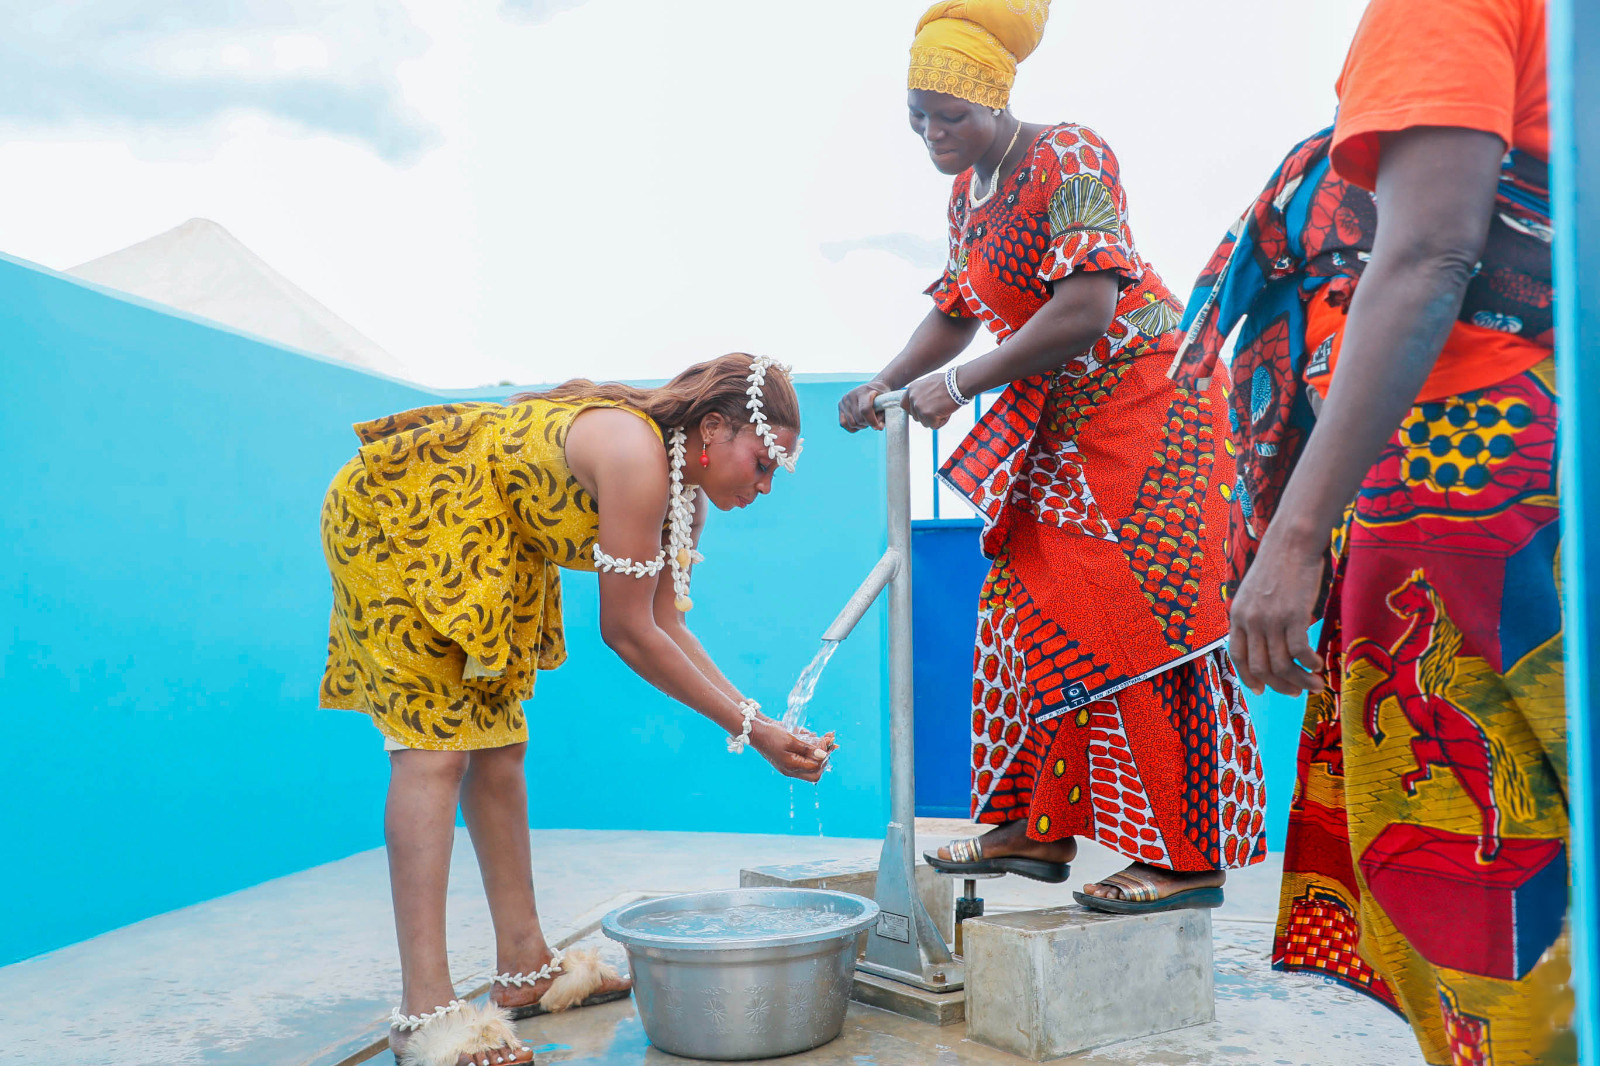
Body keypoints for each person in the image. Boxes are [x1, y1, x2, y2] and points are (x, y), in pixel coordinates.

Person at [840, 0, 1266, 913]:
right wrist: (885, 382)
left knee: (1143, 623)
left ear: (993, 101)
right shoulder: (968, 198)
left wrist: (956, 388)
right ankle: (1036, 826)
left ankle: (1188, 860)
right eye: (917, 118)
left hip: (1154, 409)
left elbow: (1087, 307)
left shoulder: (1069, 154)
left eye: (948, 115)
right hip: (1064, 420)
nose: (932, 135)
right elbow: (958, 307)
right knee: (1023, 603)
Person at [1222, 0, 1572, 1062]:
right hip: (1570, 440)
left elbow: (1425, 255)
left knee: (1473, 878)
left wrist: (1292, 535)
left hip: (1472, 468)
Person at [320, 354, 836, 1066]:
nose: (765, 483)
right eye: (762, 460)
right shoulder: (637, 456)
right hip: (406, 515)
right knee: (435, 752)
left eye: (778, 469)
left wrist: (763, 724)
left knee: (499, 750)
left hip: (486, 544)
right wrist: (754, 732)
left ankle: (527, 965)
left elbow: (668, 626)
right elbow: (626, 632)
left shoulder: (681, 497)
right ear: (712, 428)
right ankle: (424, 1013)